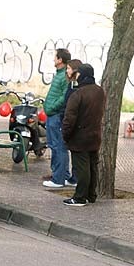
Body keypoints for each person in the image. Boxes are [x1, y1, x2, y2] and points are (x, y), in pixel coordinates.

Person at [61, 63, 105, 206]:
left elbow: (70, 117)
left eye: (78, 73)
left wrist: (66, 134)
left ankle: (79, 197)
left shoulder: (78, 94)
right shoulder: (99, 91)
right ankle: (91, 195)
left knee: (82, 168)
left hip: (79, 136)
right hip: (95, 134)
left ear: (82, 75)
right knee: (92, 166)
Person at [42, 48, 76, 189]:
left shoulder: (63, 77)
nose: (53, 59)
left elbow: (64, 97)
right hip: (53, 115)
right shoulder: (60, 75)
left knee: (58, 147)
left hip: (55, 115)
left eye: (55, 57)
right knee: (57, 146)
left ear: (60, 59)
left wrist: (52, 107)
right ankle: (65, 176)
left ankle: (58, 179)